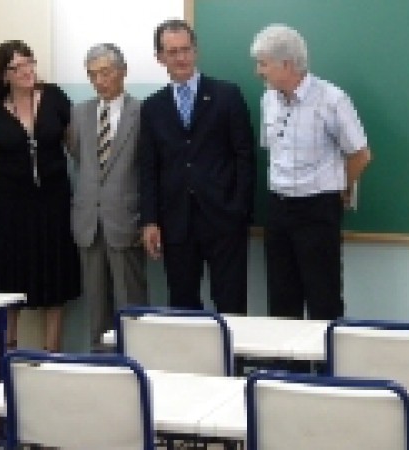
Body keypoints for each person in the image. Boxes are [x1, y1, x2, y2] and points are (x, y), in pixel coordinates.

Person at [250, 24, 372, 320]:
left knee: (323, 297)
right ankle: (287, 367)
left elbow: (361, 154)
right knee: (281, 297)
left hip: (318, 209)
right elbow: (272, 149)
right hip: (278, 207)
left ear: (287, 64)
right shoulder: (268, 100)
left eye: (263, 64)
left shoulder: (332, 99)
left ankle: (327, 366)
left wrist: (341, 188)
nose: (258, 71)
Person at [0, 40, 80, 352]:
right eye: (17, 67)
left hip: (54, 199)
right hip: (9, 202)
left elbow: (74, 145)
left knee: (54, 272)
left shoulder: (55, 97)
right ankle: (8, 350)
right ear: (4, 75)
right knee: (9, 275)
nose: (26, 70)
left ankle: (51, 351)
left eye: (29, 62)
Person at [139, 19, 256, 313]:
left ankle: (232, 361)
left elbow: (245, 156)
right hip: (176, 222)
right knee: (182, 305)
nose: (181, 58)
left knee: (231, 303)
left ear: (196, 51)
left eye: (186, 50)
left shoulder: (227, 95)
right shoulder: (152, 107)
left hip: (224, 218)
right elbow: (149, 167)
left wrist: (239, 207)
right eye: (173, 52)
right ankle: (188, 361)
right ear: (160, 57)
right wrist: (150, 220)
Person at [68, 43, 148, 351]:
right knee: (96, 304)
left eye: (105, 72)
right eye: (92, 75)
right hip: (89, 222)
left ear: (123, 72)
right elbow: (80, 159)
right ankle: (100, 366)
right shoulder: (80, 113)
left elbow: (146, 168)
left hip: (125, 220)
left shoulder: (140, 112)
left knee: (132, 304)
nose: (99, 81)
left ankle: (136, 363)